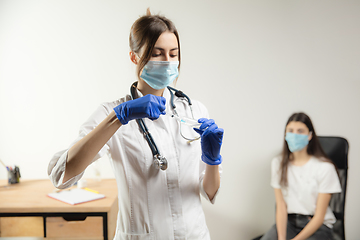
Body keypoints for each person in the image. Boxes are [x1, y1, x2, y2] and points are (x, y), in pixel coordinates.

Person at [47, 9, 224, 240]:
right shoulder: (111, 113)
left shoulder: (193, 110)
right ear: (134, 57)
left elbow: (208, 192)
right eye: (157, 53)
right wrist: (119, 117)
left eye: (174, 54)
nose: (168, 62)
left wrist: (212, 160)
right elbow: (61, 176)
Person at [260, 112, 341, 240]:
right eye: (290, 130)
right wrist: (281, 238)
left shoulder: (325, 168)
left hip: (317, 226)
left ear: (310, 135)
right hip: (289, 224)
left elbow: (319, 217)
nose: (294, 135)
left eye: (300, 131)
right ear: (285, 134)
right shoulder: (278, 163)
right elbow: (281, 206)